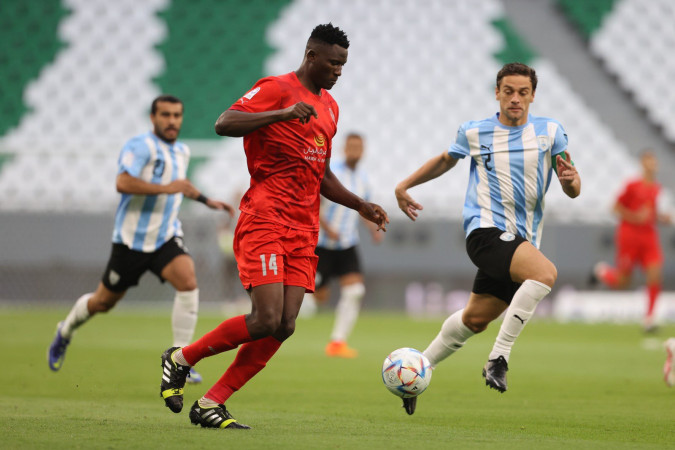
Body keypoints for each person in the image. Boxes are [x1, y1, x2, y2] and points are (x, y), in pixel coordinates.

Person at [158, 24, 388, 430]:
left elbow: (323, 174)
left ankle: (212, 402)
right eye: (333, 62)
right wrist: (280, 113)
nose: (338, 71)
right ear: (311, 55)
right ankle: (181, 358)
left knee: (284, 325)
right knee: (265, 318)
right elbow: (224, 122)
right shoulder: (276, 88)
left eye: (343, 64)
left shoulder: (330, 108)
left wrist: (361, 205)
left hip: (303, 229)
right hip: (266, 218)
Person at [394, 62, 581, 414]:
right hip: (484, 231)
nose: (515, 99)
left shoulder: (551, 132)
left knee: (475, 319)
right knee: (545, 274)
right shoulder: (475, 132)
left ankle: (418, 371)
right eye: (508, 91)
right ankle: (499, 358)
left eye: (522, 93)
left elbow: (572, 187)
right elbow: (445, 161)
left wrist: (570, 180)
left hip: (521, 239)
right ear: (497, 93)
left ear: (533, 96)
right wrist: (404, 185)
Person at [47, 95, 235, 386]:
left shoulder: (182, 151)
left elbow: (180, 185)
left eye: (176, 115)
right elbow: (122, 182)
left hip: (166, 236)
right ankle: (65, 331)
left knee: (188, 281)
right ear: (153, 118)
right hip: (130, 242)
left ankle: (181, 359)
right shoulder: (140, 146)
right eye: (165, 115)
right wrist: (165, 188)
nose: (171, 121)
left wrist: (207, 200)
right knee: (102, 302)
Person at [301, 133, 383, 358]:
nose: (355, 151)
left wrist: (372, 226)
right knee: (317, 297)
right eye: (351, 146)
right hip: (321, 243)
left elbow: (363, 209)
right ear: (344, 148)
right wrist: (325, 227)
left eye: (359, 147)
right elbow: (311, 201)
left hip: (347, 243)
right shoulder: (330, 171)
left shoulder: (364, 179)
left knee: (355, 291)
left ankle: (337, 343)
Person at [591, 150, 671, 332]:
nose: (653, 164)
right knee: (623, 281)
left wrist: (661, 218)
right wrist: (635, 216)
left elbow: (650, 213)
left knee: (655, 273)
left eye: (654, 161)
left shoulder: (655, 188)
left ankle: (650, 319)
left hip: (649, 236)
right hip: (629, 235)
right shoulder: (633, 186)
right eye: (649, 161)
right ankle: (602, 272)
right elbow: (615, 207)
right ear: (643, 163)